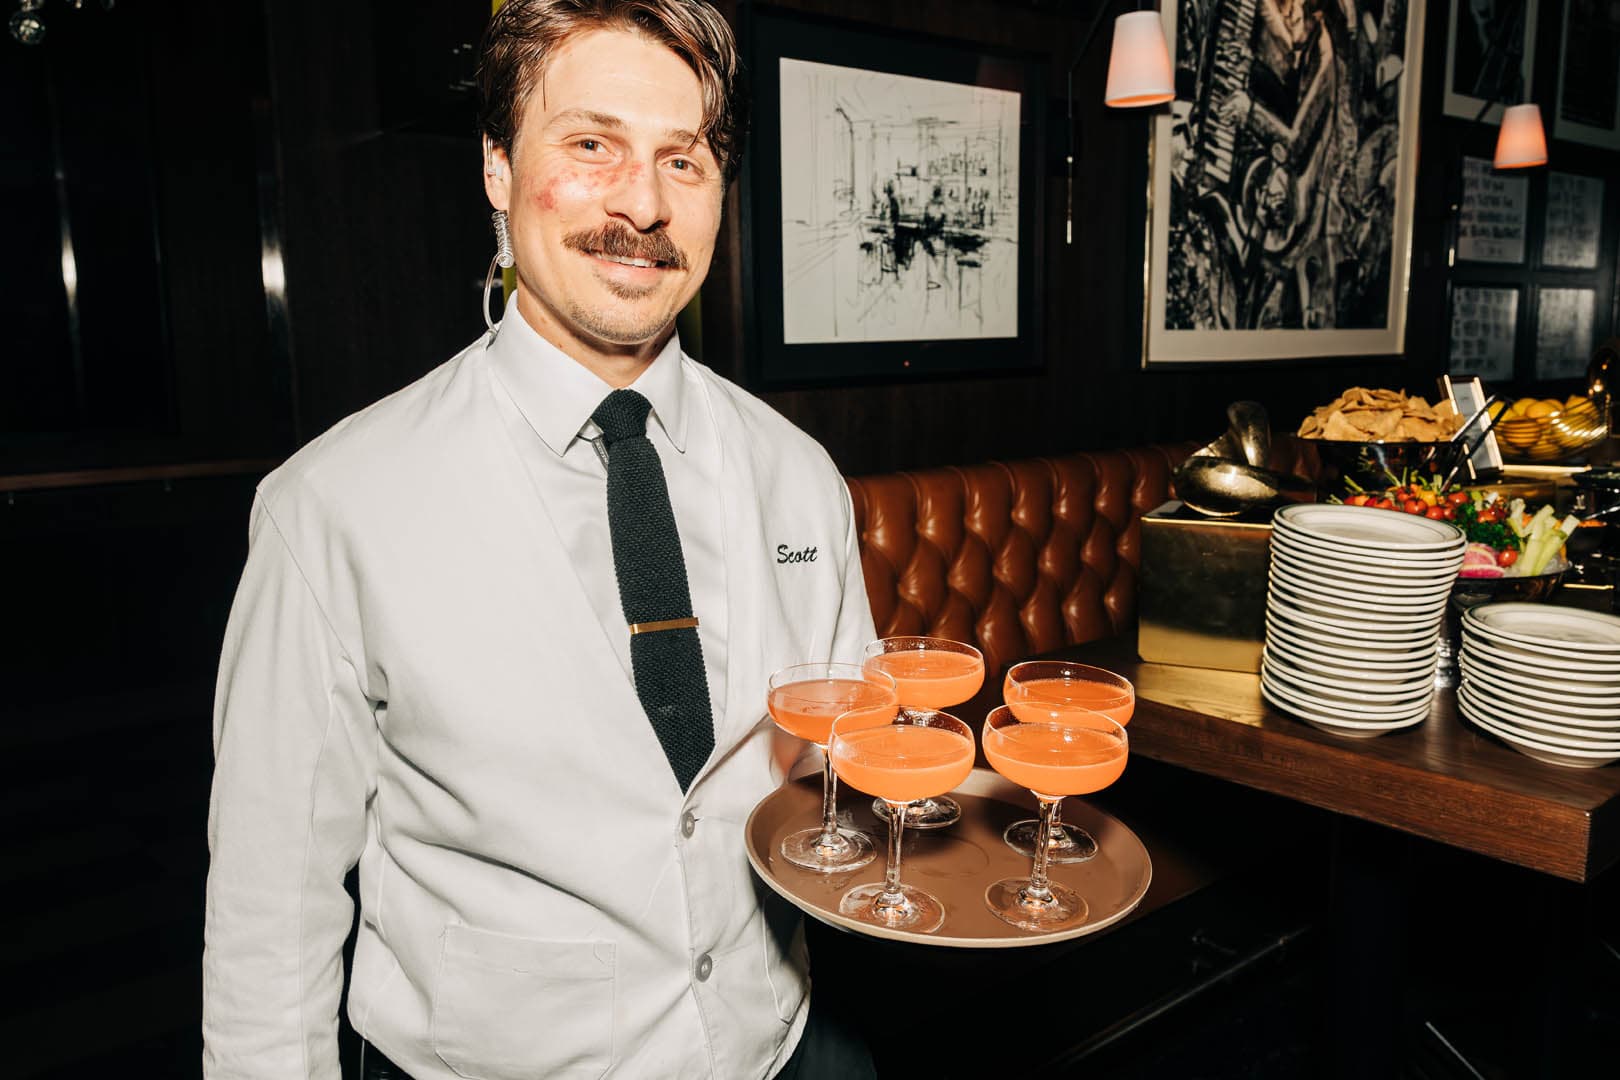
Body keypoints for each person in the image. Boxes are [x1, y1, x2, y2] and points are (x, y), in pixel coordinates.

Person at [201, 2, 876, 1078]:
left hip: (781, 1047)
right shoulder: (331, 505)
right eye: (591, 144)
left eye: (683, 160)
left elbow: (843, 747)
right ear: (498, 169)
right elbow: (266, 911)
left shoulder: (797, 472)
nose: (642, 205)